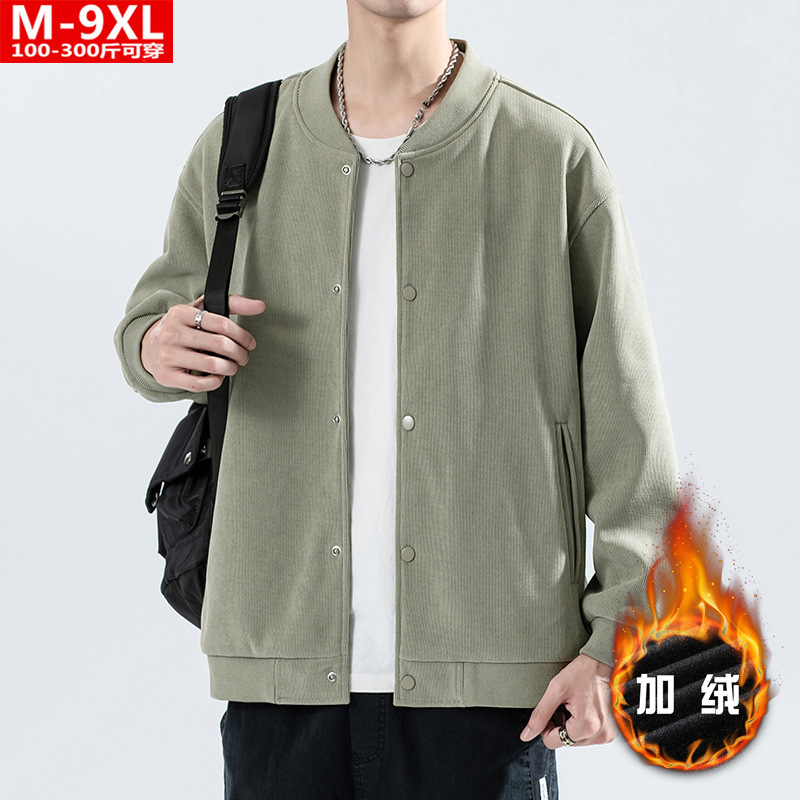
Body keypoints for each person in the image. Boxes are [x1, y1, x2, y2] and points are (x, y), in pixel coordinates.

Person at [114, 1, 679, 797]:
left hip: (492, 687)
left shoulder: (548, 154)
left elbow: (633, 440)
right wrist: (155, 345)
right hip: (280, 678)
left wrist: (615, 639)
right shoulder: (244, 140)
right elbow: (154, 317)